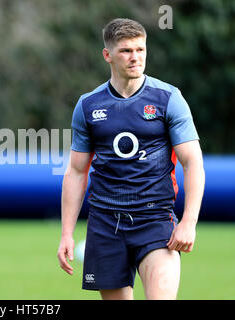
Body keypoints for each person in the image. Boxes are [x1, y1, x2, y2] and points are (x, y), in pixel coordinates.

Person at [57, 18, 205, 300]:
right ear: (107, 55)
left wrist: (188, 222)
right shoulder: (88, 105)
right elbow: (76, 172)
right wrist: (67, 233)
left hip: (155, 219)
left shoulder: (168, 98)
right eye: (126, 51)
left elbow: (193, 162)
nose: (135, 57)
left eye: (140, 49)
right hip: (105, 222)